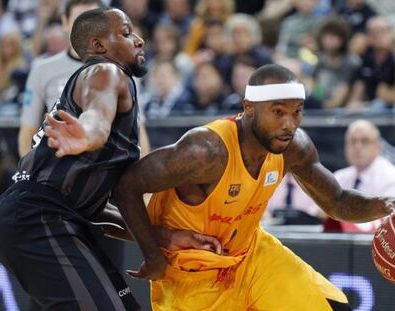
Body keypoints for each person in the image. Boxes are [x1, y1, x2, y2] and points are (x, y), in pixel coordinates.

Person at [109, 64, 394, 310]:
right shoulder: (205, 150)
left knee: (332, 306)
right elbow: (125, 186)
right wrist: (153, 254)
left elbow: (338, 201)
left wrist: (386, 204)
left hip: (251, 256)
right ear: (248, 108)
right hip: (192, 274)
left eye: (296, 112)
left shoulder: (293, 147)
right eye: (278, 112)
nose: (289, 124)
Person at [0, 8, 198, 310]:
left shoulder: (114, 86)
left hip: (46, 217)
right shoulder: (106, 72)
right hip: (36, 218)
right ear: (99, 46)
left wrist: (165, 236)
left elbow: (95, 211)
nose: (139, 40)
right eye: (126, 33)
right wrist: (88, 134)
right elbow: (96, 117)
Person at [17, 0, 105, 157]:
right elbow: (27, 129)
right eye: (79, 19)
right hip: (58, 163)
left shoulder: (121, 69)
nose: (86, 27)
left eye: (92, 20)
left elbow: (139, 127)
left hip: (107, 163)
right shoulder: (42, 68)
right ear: (65, 22)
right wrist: (27, 172)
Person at [331, 119, 395, 232]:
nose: (358, 146)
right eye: (352, 141)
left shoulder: (391, 176)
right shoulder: (338, 177)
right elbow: (320, 214)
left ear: (378, 146)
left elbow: (389, 221)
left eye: (364, 141)